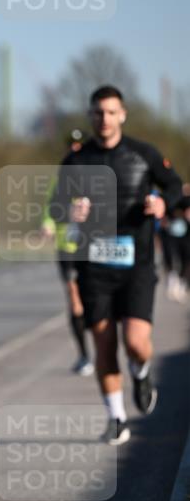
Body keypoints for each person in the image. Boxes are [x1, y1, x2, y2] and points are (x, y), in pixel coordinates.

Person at [52, 86, 182, 445]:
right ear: (90, 116)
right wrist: (70, 212)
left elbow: (174, 187)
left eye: (110, 112)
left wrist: (162, 204)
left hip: (137, 263)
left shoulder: (143, 154)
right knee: (105, 344)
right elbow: (55, 206)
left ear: (122, 114)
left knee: (137, 343)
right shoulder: (76, 160)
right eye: (97, 113)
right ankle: (116, 418)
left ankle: (141, 372)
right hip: (95, 267)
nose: (104, 119)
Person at [41, 130, 94, 376]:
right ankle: (84, 354)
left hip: (92, 245)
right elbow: (50, 205)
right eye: (70, 145)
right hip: (67, 246)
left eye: (78, 145)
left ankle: (103, 347)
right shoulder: (61, 175)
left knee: (95, 299)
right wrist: (48, 224)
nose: (74, 149)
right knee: (74, 299)